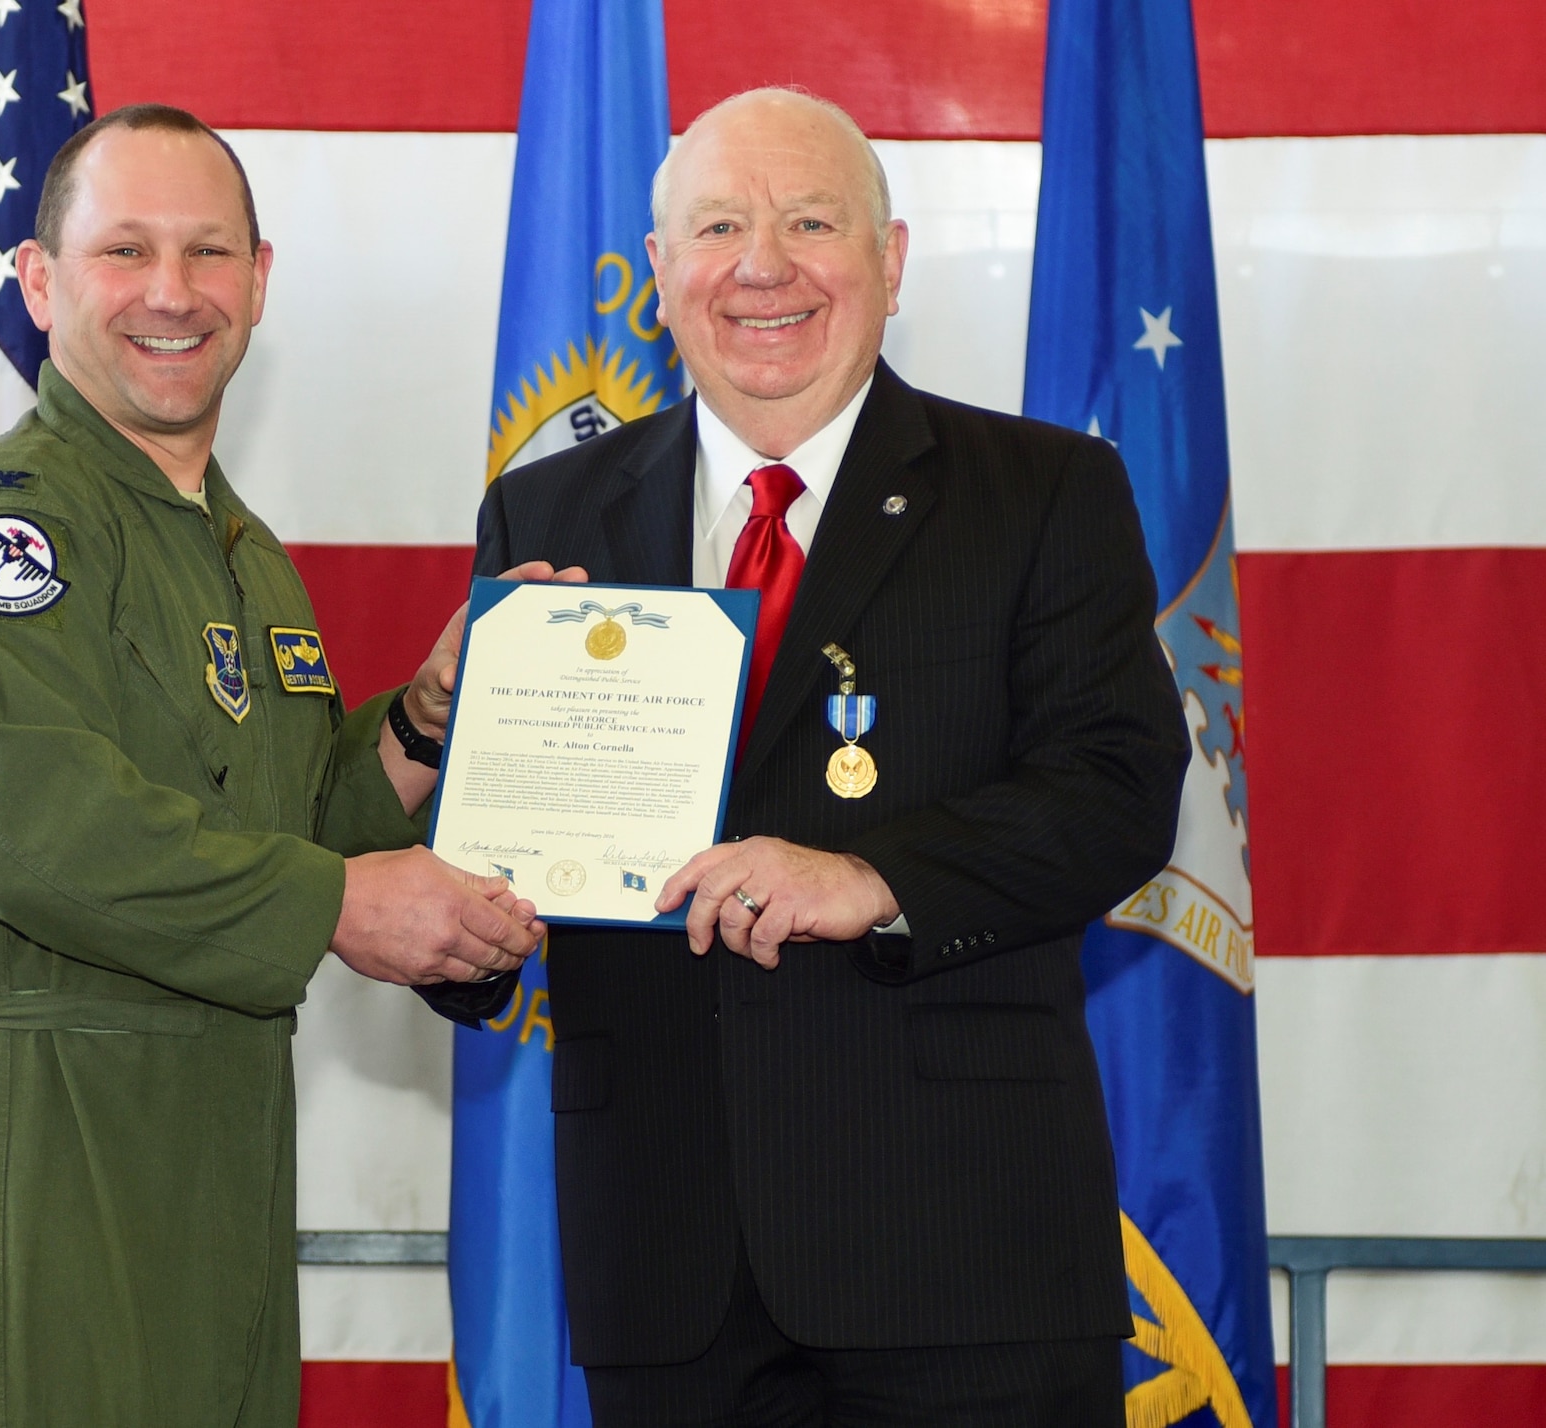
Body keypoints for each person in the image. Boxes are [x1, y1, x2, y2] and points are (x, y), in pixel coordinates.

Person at [429, 88, 1191, 1425]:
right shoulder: (546, 511)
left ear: (889, 263)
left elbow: (1118, 793)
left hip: (966, 1268)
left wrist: (872, 879)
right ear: (659, 275)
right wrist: (466, 918)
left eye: (811, 221)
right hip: (668, 1273)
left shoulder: (1043, 492)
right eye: (718, 226)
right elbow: (499, 854)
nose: (762, 264)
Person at [0, 105, 555, 1428]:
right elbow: (41, 835)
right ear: (41, 281)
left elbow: (278, 819)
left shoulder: (240, 549)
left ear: (260, 281)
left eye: (208, 253)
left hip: (218, 1157)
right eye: (126, 252)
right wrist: (342, 908)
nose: (172, 294)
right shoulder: (2, 534)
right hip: (42, 1157)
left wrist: (422, 721)